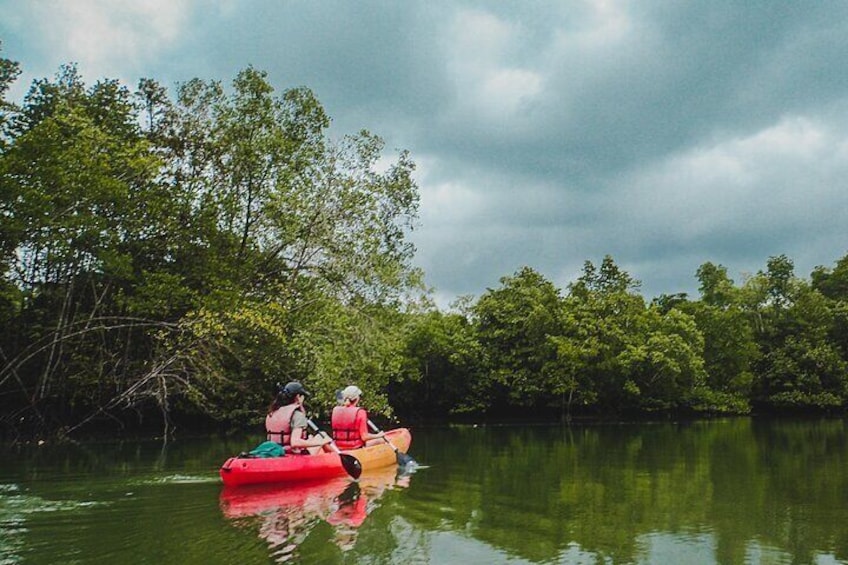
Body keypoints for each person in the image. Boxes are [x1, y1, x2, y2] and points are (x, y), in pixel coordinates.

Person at [266, 381, 332, 455]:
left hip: (276, 451)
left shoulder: (273, 411)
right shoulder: (297, 415)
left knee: (311, 437)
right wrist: (321, 442)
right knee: (322, 436)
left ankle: (333, 456)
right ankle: (336, 458)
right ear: (298, 396)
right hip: (295, 453)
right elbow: (295, 442)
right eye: (303, 396)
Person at [331, 385, 385, 450]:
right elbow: (364, 437)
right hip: (355, 447)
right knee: (381, 440)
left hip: (338, 447)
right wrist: (378, 435)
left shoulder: (336, 410)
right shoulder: (360, 412)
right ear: (357, 398)